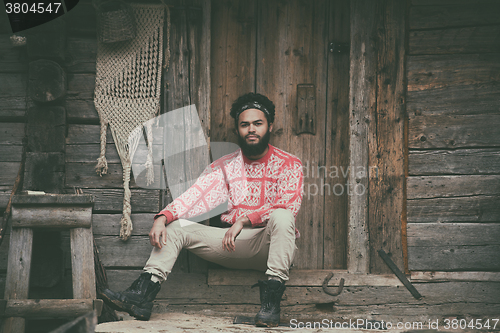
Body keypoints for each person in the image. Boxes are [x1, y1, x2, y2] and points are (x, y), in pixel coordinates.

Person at [100, 93, 304, 327]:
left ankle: (270, 308)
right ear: (237, 129)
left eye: (258, 123)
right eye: (244, 124)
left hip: (270, 245)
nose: (251, 130)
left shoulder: (289, 163)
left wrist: (244, 220)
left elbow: (288, 204)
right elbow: (194, 198)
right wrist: (163, 217)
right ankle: (142, 296)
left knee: (283, 215)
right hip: (233, 245)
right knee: (176, 227)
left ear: (269, 126)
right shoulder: (225, 166)